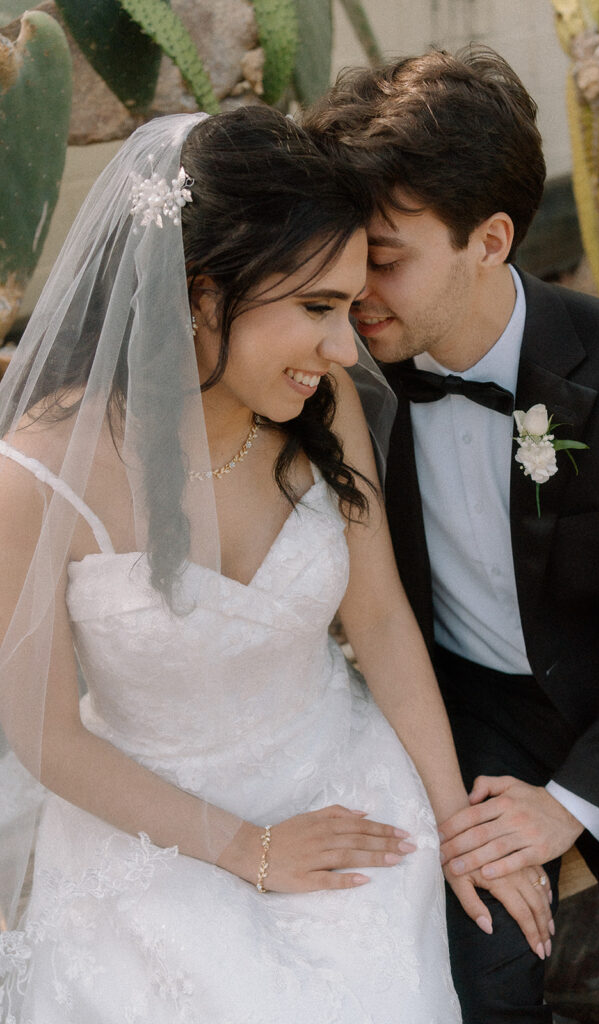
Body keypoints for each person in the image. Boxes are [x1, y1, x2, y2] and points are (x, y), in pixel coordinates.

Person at [0, 107, 553, 1022]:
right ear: (199, 294)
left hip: (346, 787)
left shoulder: (322, 404)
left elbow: (377, 620)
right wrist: (250, 849)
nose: (346, 349)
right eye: (315, 309)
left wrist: (458, 824)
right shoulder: (34, 480)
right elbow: (48, 740)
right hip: (151, 834)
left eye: (348, 306)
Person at [302, 45, 599, 1024]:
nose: (357, 291)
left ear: (489, 240)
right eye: (350, 256)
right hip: (468, 725)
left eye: (387, 260)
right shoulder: (332, 383)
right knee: (469, 991)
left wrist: (566, 806)